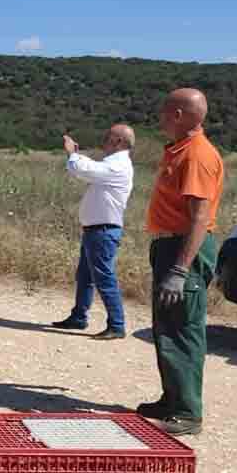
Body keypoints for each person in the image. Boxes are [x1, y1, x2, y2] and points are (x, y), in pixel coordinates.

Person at [138, 88, 225, 436]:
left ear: (178, 114)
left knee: (183, 330)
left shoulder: (196, 156)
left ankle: (188, 412)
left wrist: (179, 270)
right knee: (167, 328)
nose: (160, 117)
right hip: (170, 246)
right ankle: (172, 400)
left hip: (183, 250)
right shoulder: (181, 150)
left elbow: (199, 218)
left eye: (164, 111)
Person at [51, 124, 136, 339]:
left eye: (108, 136)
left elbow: (86, 169)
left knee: (104, 278)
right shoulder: (114, 164)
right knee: (86, 276)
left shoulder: (119, 165)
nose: (104, 139)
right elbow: (89, 168)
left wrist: (72, 154)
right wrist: (77, 156)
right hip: (96, 231)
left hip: (103, 231)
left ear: (118, 141)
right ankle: (79, 317)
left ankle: (116, 325)